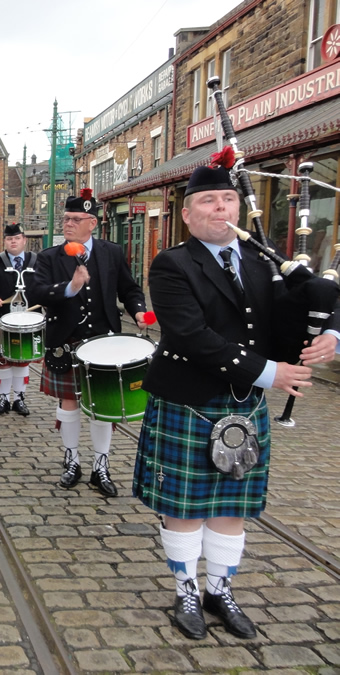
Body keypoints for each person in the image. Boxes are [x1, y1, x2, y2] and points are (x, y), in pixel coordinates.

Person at [133, 163, 340, 640]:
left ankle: (219, 590)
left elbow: (325, 298)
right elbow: (192, 336)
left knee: (231, 506)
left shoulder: (266, 260)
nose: (220, 208)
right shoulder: (172, 264)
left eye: (227, 200)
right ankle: (186, 589)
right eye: (207, 201)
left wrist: (330, 333)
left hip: (242, 404)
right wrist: (272, 372)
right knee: (185, 506)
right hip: (188, 400)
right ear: (187, 214)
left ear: (238, 208)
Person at [35, 188, 147, 497]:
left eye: (75, 219)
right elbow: (38, 292)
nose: (68, 224)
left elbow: (129, 289)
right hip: (66, 341)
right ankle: (72, 461)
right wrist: (69, 287)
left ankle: (101, 466)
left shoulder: (111, 252)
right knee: (69, 404)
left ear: (92, 223)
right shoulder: (49, 257)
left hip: (105, 343)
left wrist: (139, 311)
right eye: (65, 219)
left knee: (103, 408)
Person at [0, 222, 40, 416]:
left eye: (17, 238)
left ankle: (19, 399)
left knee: (22, 361)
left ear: (24, 240)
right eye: (10, 239)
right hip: (1, 319)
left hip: (28, 321)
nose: (13, 242)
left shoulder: (36, 261)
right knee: (2, 362)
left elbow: (46, 285)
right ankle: (3, 399)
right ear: (5, 241)